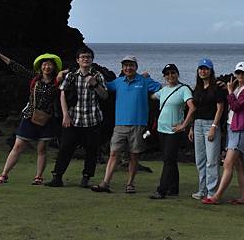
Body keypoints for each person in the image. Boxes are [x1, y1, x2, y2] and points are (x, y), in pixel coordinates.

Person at [0, 46, 63, 185]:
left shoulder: (57, 82)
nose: (47, 67)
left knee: (42, 149)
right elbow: (16, 67)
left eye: (50, 64)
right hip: (29, 116)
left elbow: (73, 73)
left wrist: (63, 73)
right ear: (40, 67)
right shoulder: (34, 79)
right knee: (17, 146)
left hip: (47, 119)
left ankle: (38, 177)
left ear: (54, 67)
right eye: (44, 64)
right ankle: (3, 174)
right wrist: (1, 56)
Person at [91, 56, 162, 193]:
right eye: (125, 66)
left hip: (138, 124)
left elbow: (160, 88)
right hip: (119, 125)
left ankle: (130, 184)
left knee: (134, 155)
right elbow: (105, 87)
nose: (128, 68)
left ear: (136, 66)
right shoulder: (118, 82)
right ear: (122, 68)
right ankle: (105, 183)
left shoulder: (144, 81)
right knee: (113, 154)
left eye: (131, 65)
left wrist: (153, 95)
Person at [45, 46, 108, 188]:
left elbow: (105, 95)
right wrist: (65, 115)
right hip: (73, 118)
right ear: (77, 60)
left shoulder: (98, 75)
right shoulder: (72, 75)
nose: (85, 59)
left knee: (91, 150)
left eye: (88, 57)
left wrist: (95, 84)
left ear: (92, 60)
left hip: (92, 119)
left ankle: (86, 178)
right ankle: (57, 177)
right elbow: (62, 94)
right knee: (65, 147)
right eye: (83, 57)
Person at [203, 62, 244, 205]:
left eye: (243, 73)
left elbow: (236, 106)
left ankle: (217, 195)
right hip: (232, 127)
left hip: (240, 128)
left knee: (228, 163)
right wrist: (227, 88)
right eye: (238, 73)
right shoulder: (238, 88)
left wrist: (230, 92)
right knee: (239, 164)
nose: (240, 76)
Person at [149, 63, 196, 199]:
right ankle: (173, 188)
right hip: (161, 130)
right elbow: (152, 96)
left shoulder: (184, 89)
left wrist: (184, 125)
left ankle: (161, 190)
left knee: (168, 160)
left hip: (174, 132)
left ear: (177, 74)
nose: (170, 76)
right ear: (164, 76)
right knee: (170, 160)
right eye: (167, 74)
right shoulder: (163, 90)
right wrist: (145, 78)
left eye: (173, 73)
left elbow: (192, 108)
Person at [187, 58, 225, 200]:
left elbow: (220, 109)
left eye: (206, 69)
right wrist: (191, 127)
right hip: (197, 124)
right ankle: (202, 190)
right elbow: (195, 109)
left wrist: (214, 127)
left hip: (211, 124)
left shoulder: (217, 88)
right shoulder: (197, 88)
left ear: (211, 71)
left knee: (212, 160)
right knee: (200, 160)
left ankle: (212, 192)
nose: (203, 71)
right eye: (201, 69)